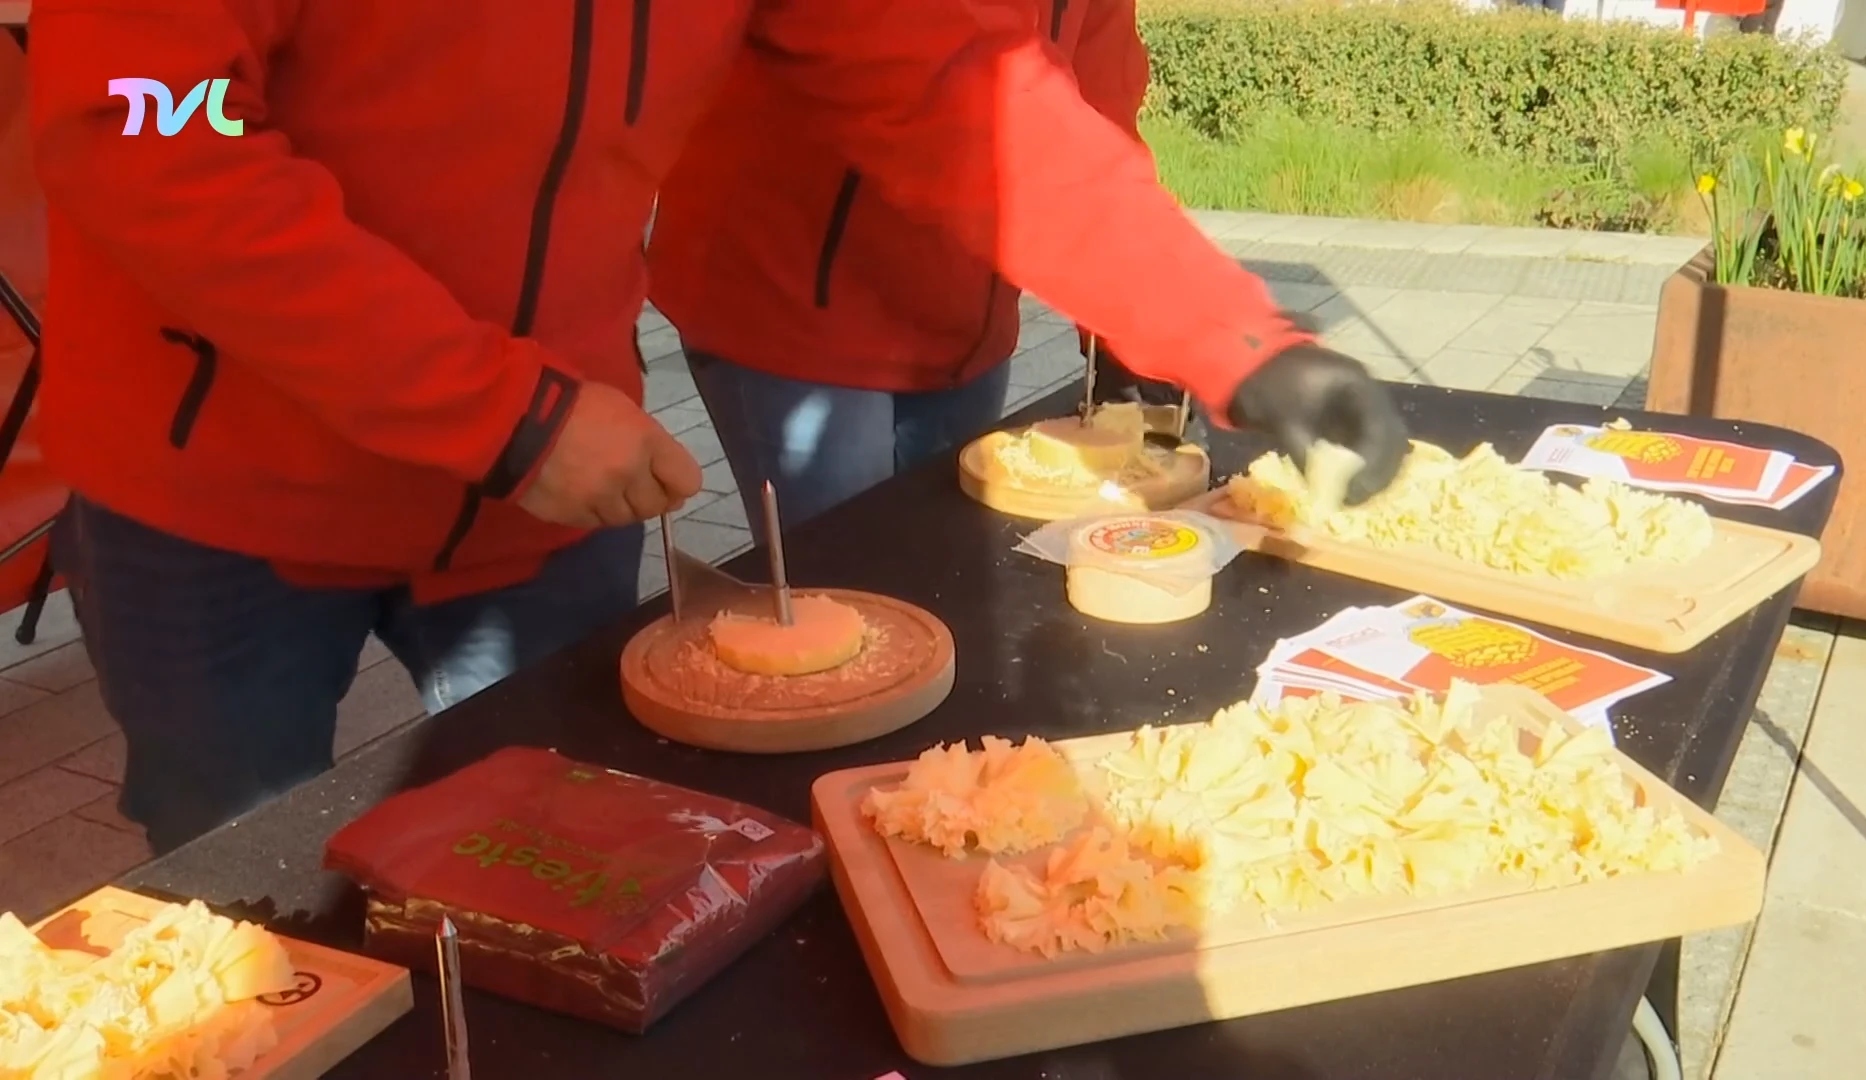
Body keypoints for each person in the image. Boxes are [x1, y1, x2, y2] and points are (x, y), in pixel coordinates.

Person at [26, 0, 1406, 855]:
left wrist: (1234, 343)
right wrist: (499, 413)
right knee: (235, 898)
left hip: (540, 499)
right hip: (219, 496)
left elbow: (963, 96)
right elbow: (151, 128)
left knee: (563, 856)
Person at [653, 0, 1201, 537]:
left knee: (950, 565)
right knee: (853, 574)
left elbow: (1100, 110)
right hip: (795, 301)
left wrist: (1128, 320)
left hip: (964, 325)